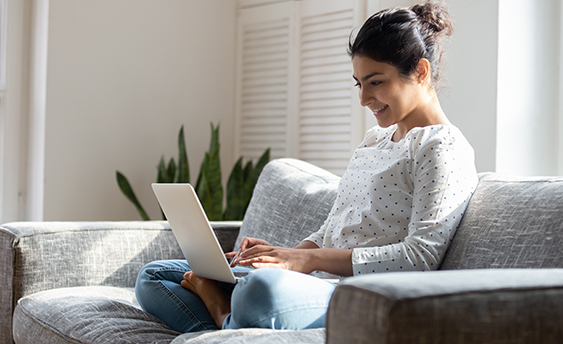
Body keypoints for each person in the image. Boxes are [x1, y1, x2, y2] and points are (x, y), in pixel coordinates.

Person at [135, 0, 478, 333]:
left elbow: (419, 257)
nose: (363, 99)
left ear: (420, 71)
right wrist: (284, 255)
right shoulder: (375, 140)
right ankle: (230, 326)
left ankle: (222, 313)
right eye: (359, 84)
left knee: (260, 293)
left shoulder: (442, 147)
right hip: (314, 285)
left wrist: (308, 262)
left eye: (376, 82)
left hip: (364, 295)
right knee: (155, 275)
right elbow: (332, 230)